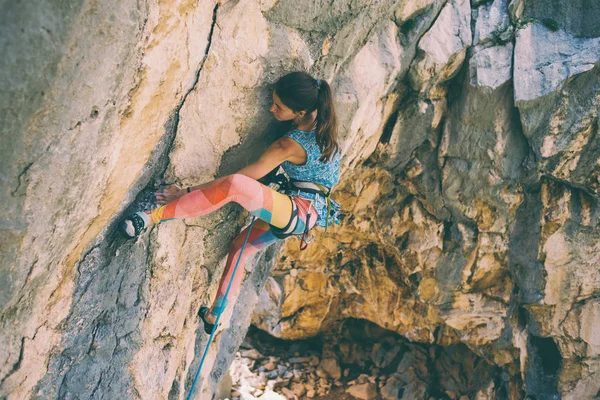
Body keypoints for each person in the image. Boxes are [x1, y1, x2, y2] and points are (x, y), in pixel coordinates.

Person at [120, 71, 341, 334]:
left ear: (300, 112)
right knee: (240, 247)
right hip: (303, 215)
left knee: (236, 186)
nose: (271, 109)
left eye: (278, 107)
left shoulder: (288, 145)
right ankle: (214, 316)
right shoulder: (324, 127)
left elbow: (240, 180)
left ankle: (149, 217)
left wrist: (186, 191)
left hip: (297, 211)